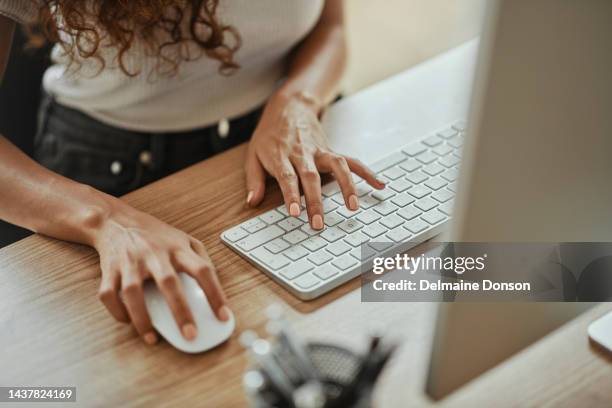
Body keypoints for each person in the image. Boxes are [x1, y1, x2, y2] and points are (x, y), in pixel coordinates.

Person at [0, 0, 384, 345]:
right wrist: (108, 221)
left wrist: (298, 100)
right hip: (110, 173)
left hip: (276, 137)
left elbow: (330, 24)